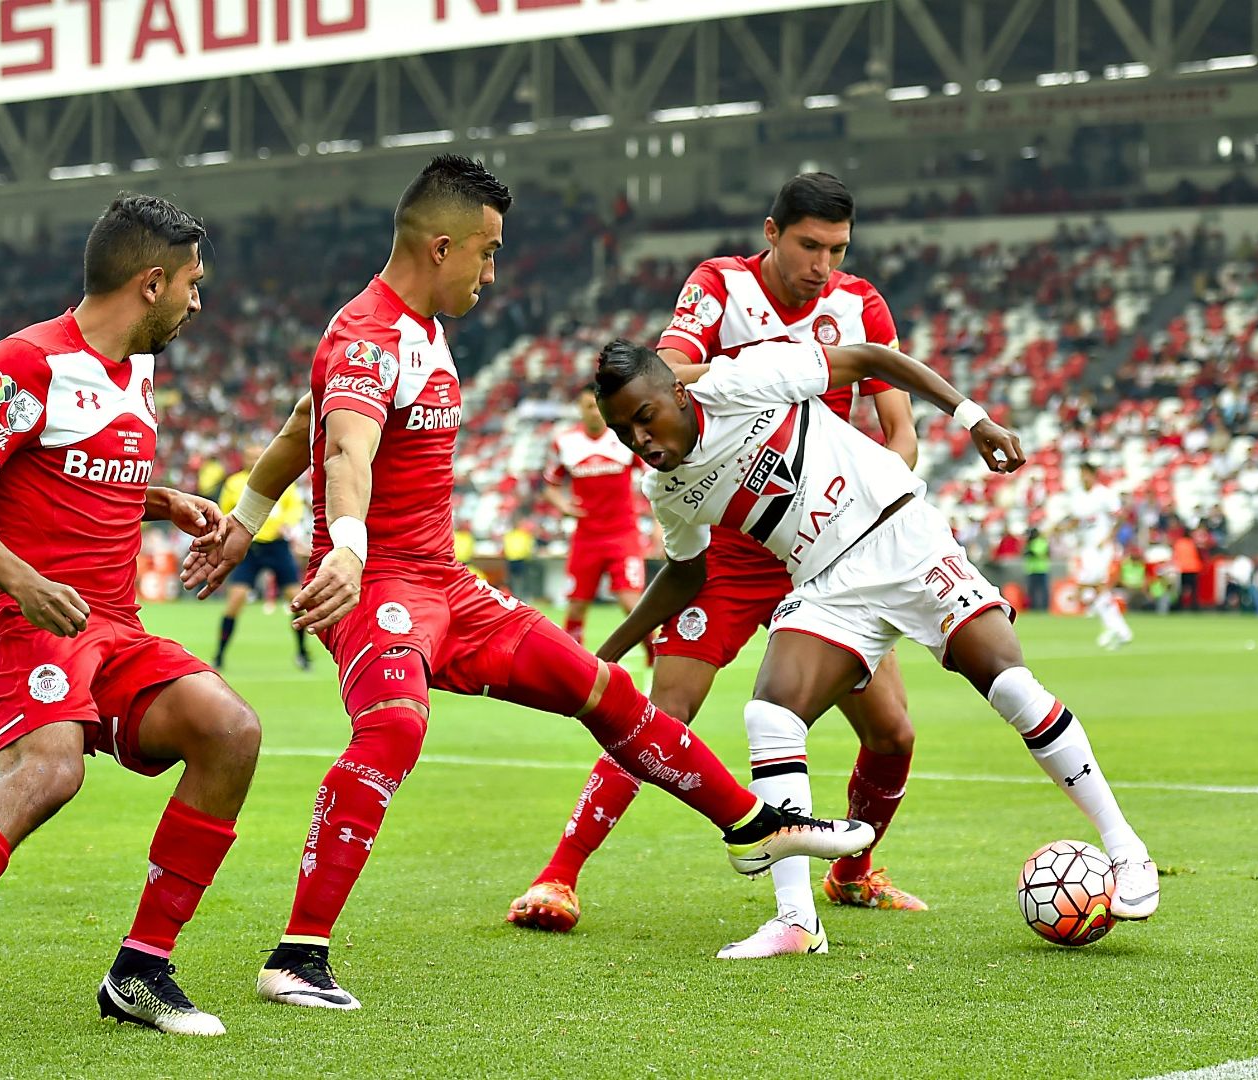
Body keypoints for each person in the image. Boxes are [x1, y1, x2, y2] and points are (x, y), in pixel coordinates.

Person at [179, 155, 873, 1011]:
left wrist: (243, 522)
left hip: (446, 585)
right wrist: (349, 547)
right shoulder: (366, 334)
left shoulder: (421, 330)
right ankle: (298, 955)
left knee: (605, 689)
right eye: (487, 252)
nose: (493, 271)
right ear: (442, 247)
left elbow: (298, 426)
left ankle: (753, 826)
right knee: (395, 726)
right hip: (378, 585)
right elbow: (345, 446)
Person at [0, 195, 263, 1050]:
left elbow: (70, 468)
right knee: (51, 769)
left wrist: (159, 497)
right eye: (191, 284)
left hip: (112, 626)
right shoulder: (24, 362)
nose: (197, 302)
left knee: (231, 730)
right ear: (149, 283)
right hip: (22, 620)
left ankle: (141, 969)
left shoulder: (134, 368)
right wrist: (24, 582)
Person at [589, 338, 1163, 940]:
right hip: (828, 584)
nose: (641, 441)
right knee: (769, 714)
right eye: (624, 432)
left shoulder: (742, 380)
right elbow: (687, 573)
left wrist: (973, 418)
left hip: (903, 536)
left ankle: (1127, 850)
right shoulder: (669, 492)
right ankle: (795, 921)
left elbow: (867, 359)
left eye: (645, 417)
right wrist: (607, 651)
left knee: (1010, 684)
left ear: (678, 391)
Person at [507, 173, 929, 959]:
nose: (823, 266)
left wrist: (882, 500)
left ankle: (854, 873)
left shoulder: (860, 305)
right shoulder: (719, 285)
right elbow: (659, 384)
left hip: (825, 548)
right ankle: (558, 875)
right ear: (772, 233)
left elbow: (899, 430)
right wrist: (752, 379)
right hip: (732, 545)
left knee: (894, 736)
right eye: (809, 246)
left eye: (838, 250)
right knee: (663, 712)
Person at [543, 384, 648, 644]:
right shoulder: (565, 441)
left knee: (631, 604)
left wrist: (656, 522)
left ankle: (654, 659)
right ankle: (574, 666)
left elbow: (652, 478)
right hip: (586, 539)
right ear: (580, 409)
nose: (595, 412)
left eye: (598, 406)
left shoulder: (625, 437)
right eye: (588, 406)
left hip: (623, 534)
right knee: (576, 608)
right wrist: (563, 506)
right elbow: (551, 487)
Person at [214, 445, 313, 671]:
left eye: (258, 456)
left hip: (277, 546)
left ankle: (302, 653)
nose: (254, 460)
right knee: (235, 600)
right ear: (244, 458)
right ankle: (219, 655)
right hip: (250, 546)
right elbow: (225, 512)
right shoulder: (234, 483)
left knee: (295, 599)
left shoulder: (281, 480)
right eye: (250, 456)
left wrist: (287, 524)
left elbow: (294, 508)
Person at [1063, 462, 1134, 648]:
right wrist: (1063, 528)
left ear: (1094, 475)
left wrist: (1109, 536)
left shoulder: (1104, 494)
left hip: (1101, 548)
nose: (1083, 477)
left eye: (1086, 473)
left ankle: (1117, 629)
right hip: (1086, 548)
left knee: (1093, 586)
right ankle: (1119, 629)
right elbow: (1078, 520)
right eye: (1081, 473)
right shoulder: (1077, 496)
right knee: (1094, 590)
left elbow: (1121, 515)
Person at [501, 519, 536, 598]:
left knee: (519, 581)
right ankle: (517, 597)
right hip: (517, 560)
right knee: (517, 581)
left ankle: (519, 597)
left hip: (517, 560)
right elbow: (528, 548)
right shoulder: (520, 535)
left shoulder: (515, 534)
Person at [1022, 527, 1051, 613]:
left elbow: (1037, 553)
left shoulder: (1040, 542)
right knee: (1032, 591)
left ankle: (1044, 607)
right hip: (1032, 570)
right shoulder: (1030, 543)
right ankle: (1032, 608)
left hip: (1041, 570)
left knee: (1042, 590)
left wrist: (1030, 551)